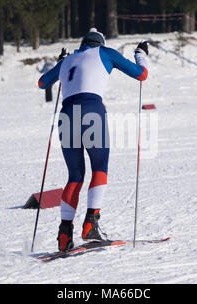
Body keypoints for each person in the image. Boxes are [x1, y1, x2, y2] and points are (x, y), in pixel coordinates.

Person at [38, 28, 149, 251]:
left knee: (75, 176)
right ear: (100, 43)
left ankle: (64, 234)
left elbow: (42, 83)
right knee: (99, 168)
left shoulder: (68, 60)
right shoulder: (105, 52)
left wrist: (61, 63)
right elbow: (141, 74)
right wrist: (141, 54)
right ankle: (91, 224)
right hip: (91, 111)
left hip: (66, 115)